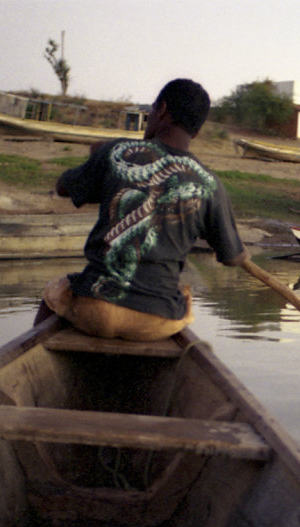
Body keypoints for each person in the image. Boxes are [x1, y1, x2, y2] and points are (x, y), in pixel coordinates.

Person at [36, 79, 249, 341]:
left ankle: (30, 354)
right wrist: (241, 253)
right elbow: (231, 258)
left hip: (95, 308)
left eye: (151, 111)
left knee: (53, 292)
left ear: (162, 110)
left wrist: (98, 159)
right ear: (196, 131)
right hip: (156, 320)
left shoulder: (116, 151)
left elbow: (63, 188)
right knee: (184, 294)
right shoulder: (210, 184)